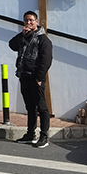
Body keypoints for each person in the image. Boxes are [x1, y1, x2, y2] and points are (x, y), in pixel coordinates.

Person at [8, 10, 53, 148]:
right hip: (24, 76)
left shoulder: (43, 39)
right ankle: (30, 133)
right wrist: (22, 35)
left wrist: (39, 77)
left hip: (35, 78)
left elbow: (46, 60)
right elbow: (12, 45)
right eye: (26, 20)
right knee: (30, 107)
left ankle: (44, 136)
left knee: (42, 107)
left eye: (31, 20)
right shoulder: (24, 37)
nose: (28, 23)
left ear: (36, 22)